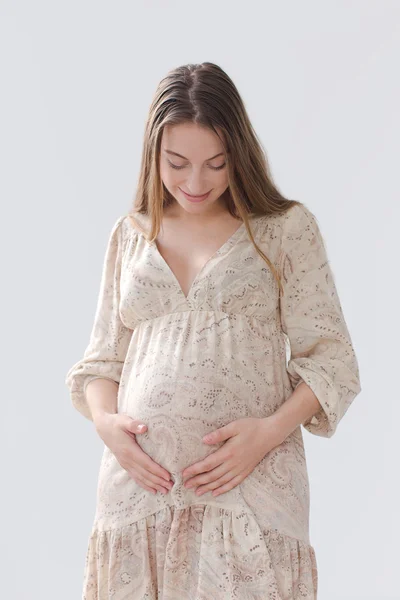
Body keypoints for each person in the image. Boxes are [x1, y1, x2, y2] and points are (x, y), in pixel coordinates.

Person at [65, 62, 361, 600]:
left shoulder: (284, 230)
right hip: (138, 498)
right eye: (176, 164)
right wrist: (107, 424)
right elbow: (101, 362)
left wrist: (267, 434)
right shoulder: (130, 235)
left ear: (239, 155)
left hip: (250, 491)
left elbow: (332, 359)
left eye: (216, 164)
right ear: (152, 154)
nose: (195, 183)